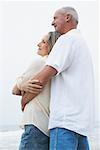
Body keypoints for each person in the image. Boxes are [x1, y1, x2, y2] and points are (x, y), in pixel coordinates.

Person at [21, 7, 94, 150]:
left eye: (55, 18)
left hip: (64, 123)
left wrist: (24, 99)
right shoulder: (82, 44)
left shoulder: (66, 40)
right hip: (81, 126)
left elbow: (41, 78)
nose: (52, 23)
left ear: (67, 17)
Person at [12, 31, 61, 150]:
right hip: (48, 125)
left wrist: (21, 86)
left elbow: (14, 90)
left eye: (43, 42)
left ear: (51, 45)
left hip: (35, 122)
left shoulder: (41, 62)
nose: (38, 44)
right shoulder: (58, 66)